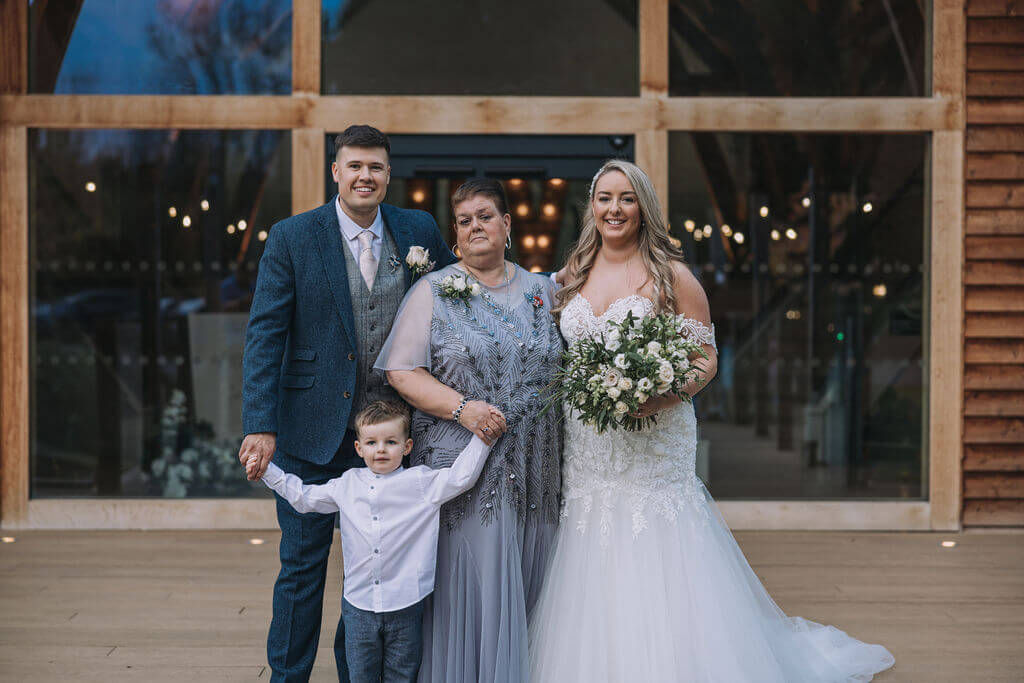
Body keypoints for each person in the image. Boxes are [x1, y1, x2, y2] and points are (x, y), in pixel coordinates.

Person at [528, 160, 896, 682]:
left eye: (626, 199)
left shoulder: (672, 275)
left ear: (643, 208)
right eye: (605, 198)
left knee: (659, 544)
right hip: (589, 445)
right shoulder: (572, 274)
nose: (614, 209)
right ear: (592, 206)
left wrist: (655, 398)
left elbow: (705, 359)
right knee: (594, 542)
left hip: (654, 440)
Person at [239, 124, 456, 682]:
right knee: (302, 569)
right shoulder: (292, 236)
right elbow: (266, 335)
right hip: (311, 429)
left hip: (391, 438)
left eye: (376, 167)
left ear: (388, 174)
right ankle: (287, 677)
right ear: (336, 171)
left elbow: (450, 314)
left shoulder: (419, 229)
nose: (366, 176)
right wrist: (261, 426)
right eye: (355, 166)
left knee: (375, 568)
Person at [375, 179, 563, 682]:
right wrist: (463, 410)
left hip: (537, 468)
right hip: (464, 471)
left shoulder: (545, 292)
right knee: (474, 591)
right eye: (464, 220)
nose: (475, 225)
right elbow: (401, 371)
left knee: (533, 589)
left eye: (485, 216)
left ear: (507, 224)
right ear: (455, 237)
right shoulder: (432, 291)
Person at [247, 401, 492, 683]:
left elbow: (461, 477)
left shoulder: (421, 484)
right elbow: (304, 498)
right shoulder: (347, 484)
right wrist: (268, 472)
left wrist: (483, 439)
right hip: (359, 605)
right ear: (359, 448)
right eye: (372, 442)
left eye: (391, 442)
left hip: (406, 602)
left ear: (407, 446)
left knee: (402, 674)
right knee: (360, 675)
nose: (381, 450)